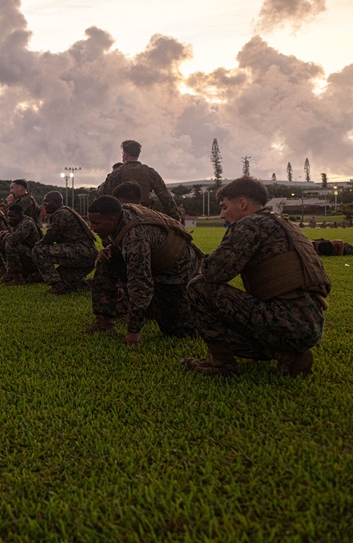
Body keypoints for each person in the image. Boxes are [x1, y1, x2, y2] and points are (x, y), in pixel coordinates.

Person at [183, 176, 330, 377]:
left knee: (198, 287)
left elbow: (213, 273)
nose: (222, 214)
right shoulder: (287, 226)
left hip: (284, 320)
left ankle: (221, 363)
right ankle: (288, 354)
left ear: (242, 203)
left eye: (225, 207)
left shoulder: (251, 224)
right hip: (308, 324)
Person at [83, 195, 200, 344]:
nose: (92, 228)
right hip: (154, 264)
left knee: (179, 331)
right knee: (106, 260)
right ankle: (103, 323)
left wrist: (133, 331)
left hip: (176, 274)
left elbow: (140, 284)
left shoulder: (136, 239)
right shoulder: (120, 216)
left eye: (95, 223)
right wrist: (110, 249)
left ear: (112, 220)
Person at [32, 191, 98, 294]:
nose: (44, 205)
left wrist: (37, 244)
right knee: (67, 284)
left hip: (81, 253)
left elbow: (49, 238)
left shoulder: (60, 213)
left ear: (57, 201)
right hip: (88, 256)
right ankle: (93, 284)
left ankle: (56, 286)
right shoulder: (66, 211)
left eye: (47, 202)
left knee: (38, 250)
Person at [97, 140, 180, 220]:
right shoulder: (150, 173)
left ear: (125, 155)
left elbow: (103, 194)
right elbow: (165, 196)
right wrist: (175, 216)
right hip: (146, 216)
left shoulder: (116, 173)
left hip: (122, 217)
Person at [0, 203, 42, 285]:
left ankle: (18, 278)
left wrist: (7, 235)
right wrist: (8, 233)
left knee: (11, 246)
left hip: (36, 257)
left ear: (20, 215)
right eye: (8, 216)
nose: (9, 219)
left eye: (12, 216)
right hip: (29, 254)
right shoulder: (19, 222)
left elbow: (14, 240)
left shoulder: (26, 223)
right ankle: (11, 271)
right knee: (5, 279)